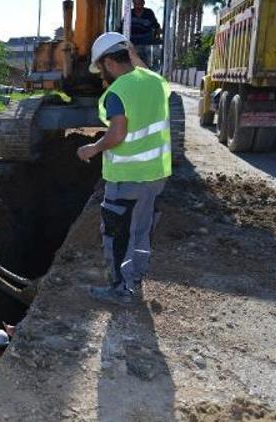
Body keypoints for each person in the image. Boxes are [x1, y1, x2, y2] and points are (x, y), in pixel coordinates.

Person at [77, 32, 171, 305]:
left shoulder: (116, 93)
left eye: (101, 67)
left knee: (117, 235)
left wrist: (92, 149)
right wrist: (130, 50)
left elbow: (117, 133)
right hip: (155, 176)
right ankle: (136, 277)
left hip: (127, 179)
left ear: (108, 62)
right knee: (141, 230)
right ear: (127, 54)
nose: (102, 75)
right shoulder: (157, 83)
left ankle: (121, 289)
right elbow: (144, 72)